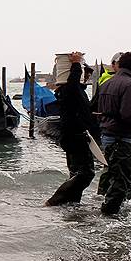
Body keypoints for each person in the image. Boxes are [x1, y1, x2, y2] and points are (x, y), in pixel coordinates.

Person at [95, 51, 131, 215]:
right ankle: (109, 217)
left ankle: (107, 208)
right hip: (121, 138)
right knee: (121, 180)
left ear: (120, 64)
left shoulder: (108, 83)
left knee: (114, 176)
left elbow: (102, 110)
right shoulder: (130, 85)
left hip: (107, 136)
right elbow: (128, 114)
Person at [45, 53, 101, 206]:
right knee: (86, 173)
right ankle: (53, 202)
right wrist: (76, 64)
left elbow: (78, 106)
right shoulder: (69, 89)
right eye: (85, 72)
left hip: (73, 137)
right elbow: (73, 84)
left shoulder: (74, 91)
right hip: (75, 137)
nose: (87, 76)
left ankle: (71, 205)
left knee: (76, 173)